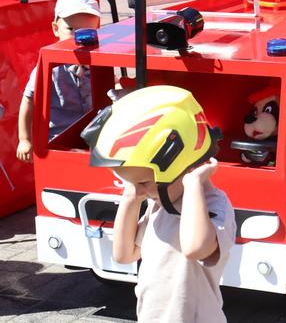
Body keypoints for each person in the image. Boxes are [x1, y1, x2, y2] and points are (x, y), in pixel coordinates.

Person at [80, 85, 236, 322]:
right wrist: (131, 196)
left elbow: (195, 248)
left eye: (143, 181)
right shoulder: (160, 204)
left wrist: (193, 182)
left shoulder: (214, 204)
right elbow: (124, 254)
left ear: (184, 165)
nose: (140, 189)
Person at [16, 0, 101, 163]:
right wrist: (25, 139)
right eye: (71, 29)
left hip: (93, 137)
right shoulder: (49, 68)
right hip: (58, 142)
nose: (79, 38)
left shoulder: (98, 62)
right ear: (56, 29)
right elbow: (28, 99)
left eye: (86, 32)